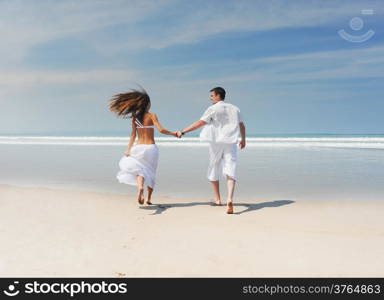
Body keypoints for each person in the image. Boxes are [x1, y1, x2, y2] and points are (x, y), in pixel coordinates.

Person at [176, 87, 246, 214]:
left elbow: (200, 123)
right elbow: (241, 125)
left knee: (214, 167)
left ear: (218, 96)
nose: (210, 98)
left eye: (212, 95)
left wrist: (183, 131)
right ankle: (229, 199)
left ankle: (218, 199)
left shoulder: (213, 109)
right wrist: (243, 139)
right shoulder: (235, 109)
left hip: (216, 142)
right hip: (231, 142)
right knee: (230, 169)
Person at [109, 88, 178, 205]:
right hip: (151, 148)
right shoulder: (152, 116)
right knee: (151, 172)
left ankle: (140, 187)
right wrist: (174, 133)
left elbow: (132, 135)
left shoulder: (135, 118)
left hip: (139, 148)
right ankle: (149, 199)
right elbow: (161, 130)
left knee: (140, 171)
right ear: (148, 104)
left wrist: (128, 149)